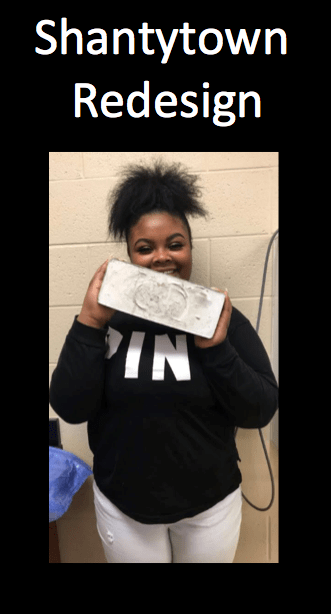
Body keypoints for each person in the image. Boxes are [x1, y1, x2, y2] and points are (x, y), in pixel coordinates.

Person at [49, 160, 278, 563]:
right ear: (129, 254)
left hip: (211, 507)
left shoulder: (222, 318)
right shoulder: (104, 320)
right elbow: (70, 407)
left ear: (189, 248)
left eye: (175, 244)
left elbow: (260, 409)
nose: (162, 257)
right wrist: (88, 324)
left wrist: (217, 349)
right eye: (145, 248)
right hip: (124, 507)